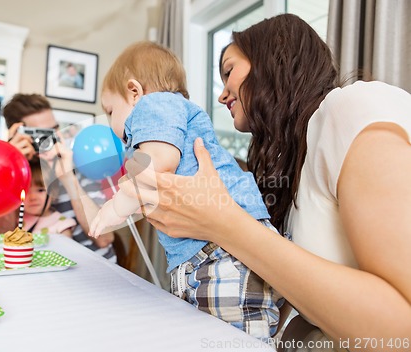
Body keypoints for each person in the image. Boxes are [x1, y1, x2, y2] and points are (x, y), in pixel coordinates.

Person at [118, 14, 411, 351]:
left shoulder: (351, 106)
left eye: (229, 71)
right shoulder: (298, 166)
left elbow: (403, 329)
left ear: (276, 57)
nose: (222, 94)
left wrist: (224, 224)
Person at [89, 41, 284, 341]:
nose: (110, 121)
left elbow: (158, 165)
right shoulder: (171, 112)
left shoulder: (154, 106)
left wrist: (115, 207)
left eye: (110, 110)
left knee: (236, 342)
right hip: (211, 254)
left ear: (134, 91)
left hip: (222, 255)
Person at [0, 94, 116, 261]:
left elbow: (104, 239)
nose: (52, 138)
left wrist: (67, 177)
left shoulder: (79, 165)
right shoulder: (14, 175)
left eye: (55, 129)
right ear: (19, 134)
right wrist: (10, 162)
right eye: (41, 133)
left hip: (96, 267)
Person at [23, 158, 77, 237]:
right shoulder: (13, 220)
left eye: (40, 190)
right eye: (26, 191)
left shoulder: (62, 224)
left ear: (53, 192)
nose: (33, 197)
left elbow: (65, 248)